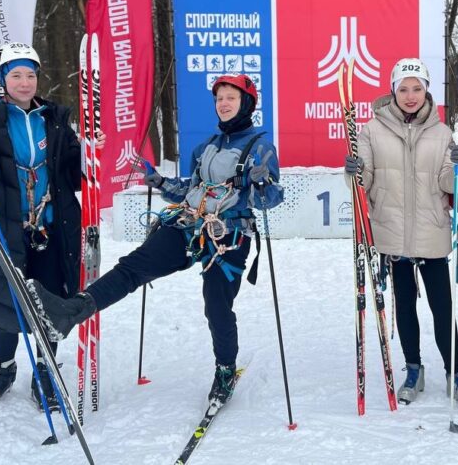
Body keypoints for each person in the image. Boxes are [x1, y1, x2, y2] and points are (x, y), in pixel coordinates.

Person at [28, 74, 283, 407]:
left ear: (245, 103)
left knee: (216, 304)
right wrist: (161, 182)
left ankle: (224, 369)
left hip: (229, 235)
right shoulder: (206, 146)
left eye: (231, 98)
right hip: (188, 225)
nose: (223, 103)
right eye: (219, 98)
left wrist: (263, 185)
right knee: (134, 266)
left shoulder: (260, 145)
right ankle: (69, 312)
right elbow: (191, 190)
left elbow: (271, 200)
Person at [0, 42, 104, 413]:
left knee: (53, 301)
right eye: (16, 74)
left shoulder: (54, 119)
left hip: (52, 229)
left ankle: (46, 370)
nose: (25, 82)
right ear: (2, 79)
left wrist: (90, 155)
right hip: (4, 229)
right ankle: (3, 369)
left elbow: (71, 173)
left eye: (30, 74)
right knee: (4, 303)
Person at [344, 58, 458, 412]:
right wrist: (354, 172)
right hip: (391, 236)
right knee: (404, 307)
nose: (410, 96)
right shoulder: (372, 131)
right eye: (404, 89)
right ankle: (413, 370)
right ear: (393, 91)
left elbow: (446, 183)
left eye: (417, 88)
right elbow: (365, 182)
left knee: (442, 309)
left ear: (427, 92)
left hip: (431, 233)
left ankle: (455, 373)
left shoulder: (442, 134)